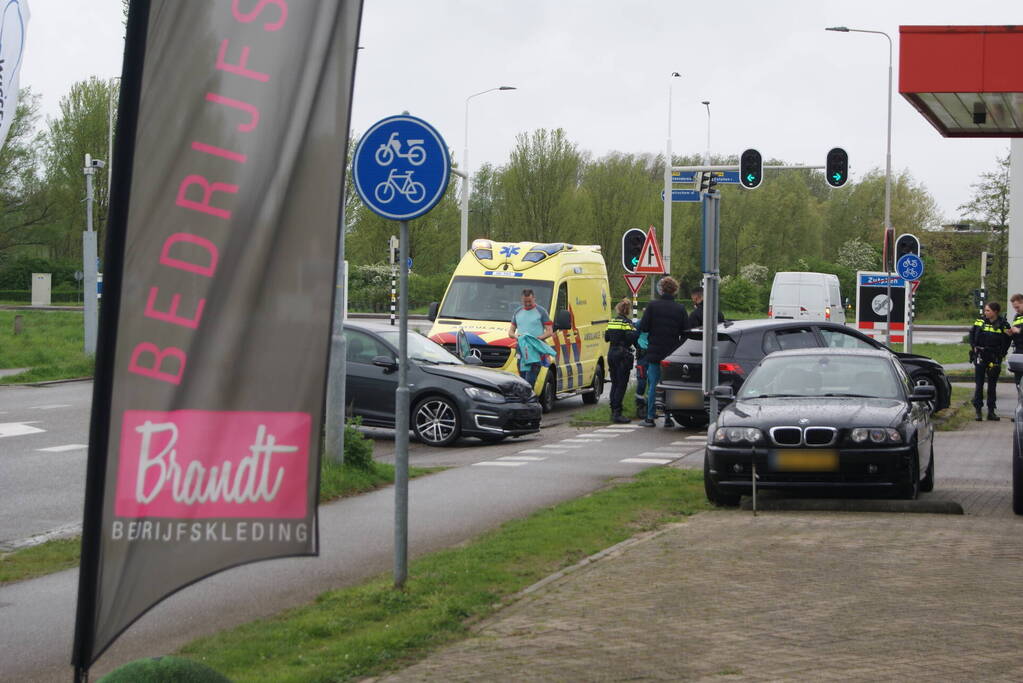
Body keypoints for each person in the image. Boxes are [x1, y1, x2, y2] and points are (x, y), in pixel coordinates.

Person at [638, 276, 688, 427]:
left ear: (660, 289)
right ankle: (668, 417)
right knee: (670, 385)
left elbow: (644, 327)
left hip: (654, 352)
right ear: (675, 290)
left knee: (654, 384)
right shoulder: (680, 309)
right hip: (672, 353)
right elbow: (685, 331)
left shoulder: (653, 306)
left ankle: (650, 417)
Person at [969, 301, 1011, 421]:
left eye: (988, 310)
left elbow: (1008, 340)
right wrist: (973, 347)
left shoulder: (1003, 324)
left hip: (994, 357)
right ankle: (978, 411)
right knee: (979, 384)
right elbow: (972, 333)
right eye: (985, 310)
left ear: (995, 312)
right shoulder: (980, 321)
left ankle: (991, 411)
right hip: (981, 355)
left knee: (992, 386)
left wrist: (1002, 354)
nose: (985, 312)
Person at [508, 289, 554, 388]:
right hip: (521, 350)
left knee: (530, 381)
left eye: (530, 301)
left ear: (534, 299)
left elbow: (549, 331)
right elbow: (510, 333)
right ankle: (527, 401)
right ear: (521, 300)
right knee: (523, 380)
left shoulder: (541, 312)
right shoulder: (518, 312)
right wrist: (518, 336)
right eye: (525, 302)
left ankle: (530, 400)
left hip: (535, 350)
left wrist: (538, 338)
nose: (528, 304)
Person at [604, 298, 640, 423]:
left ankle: (613, 411)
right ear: (628, 310)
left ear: (618, 309)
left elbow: (607, 337)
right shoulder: (628, 323)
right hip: (622, 355)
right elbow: (632, 339)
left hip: (611, 354)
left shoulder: (612, 322)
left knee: (614, 383)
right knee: (621, 384)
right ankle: (617, 414)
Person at [1007, 293, 1023, 386]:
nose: (1016, 310)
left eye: (1017, 307)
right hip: (1019, 350)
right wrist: (1011, 333)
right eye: (1014, 308)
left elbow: (1019, 330)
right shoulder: (1017, 316)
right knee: (1018, 381)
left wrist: (1019, 330)